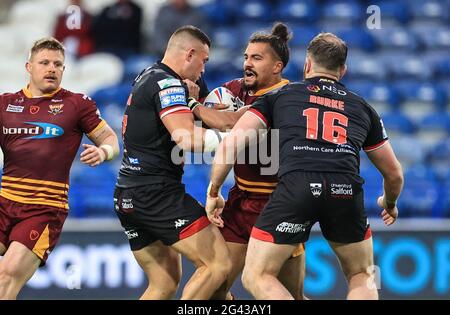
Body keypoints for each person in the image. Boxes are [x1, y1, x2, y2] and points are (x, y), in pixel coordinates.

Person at [206, 32, 404, 299]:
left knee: (257, 275)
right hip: (344, 188)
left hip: (297, 188)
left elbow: (232, 144)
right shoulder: (363, 108)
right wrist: (389, 203)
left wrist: (214, 189)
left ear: (307, 64)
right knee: (361, 274)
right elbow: (394, 174)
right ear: (342, 70)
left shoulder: (280, 96)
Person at [113, 25, 231, 300]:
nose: (204, 69)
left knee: (163, 284)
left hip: (128, 194)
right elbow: (186, 138)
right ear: (190, 54)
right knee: (217, 263)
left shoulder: (148, 75)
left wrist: (193, 103)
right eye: (204, 60)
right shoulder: (167, 83)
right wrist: (231, 139)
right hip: (156, 194)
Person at [190, 22, 306, 300]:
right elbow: (212, 109)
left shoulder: (288, 98)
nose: (247, 64)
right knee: (216, 289)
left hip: (279, 204)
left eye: (256, 58)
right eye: (245, 57)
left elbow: (229, 120)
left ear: (277, 67)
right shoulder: (235, 89)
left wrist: (195, 106)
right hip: (241, 200)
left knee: (291, 295)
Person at [0, 37, 119, 299]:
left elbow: (111, 141)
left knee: (6, 275)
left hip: (43, 210)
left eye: (58, 64)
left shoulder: (76, 104)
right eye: (44, 63)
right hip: (5, 202)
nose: (51, 68)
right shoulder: (4, 104)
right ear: (29, 67)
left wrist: (103, 151)